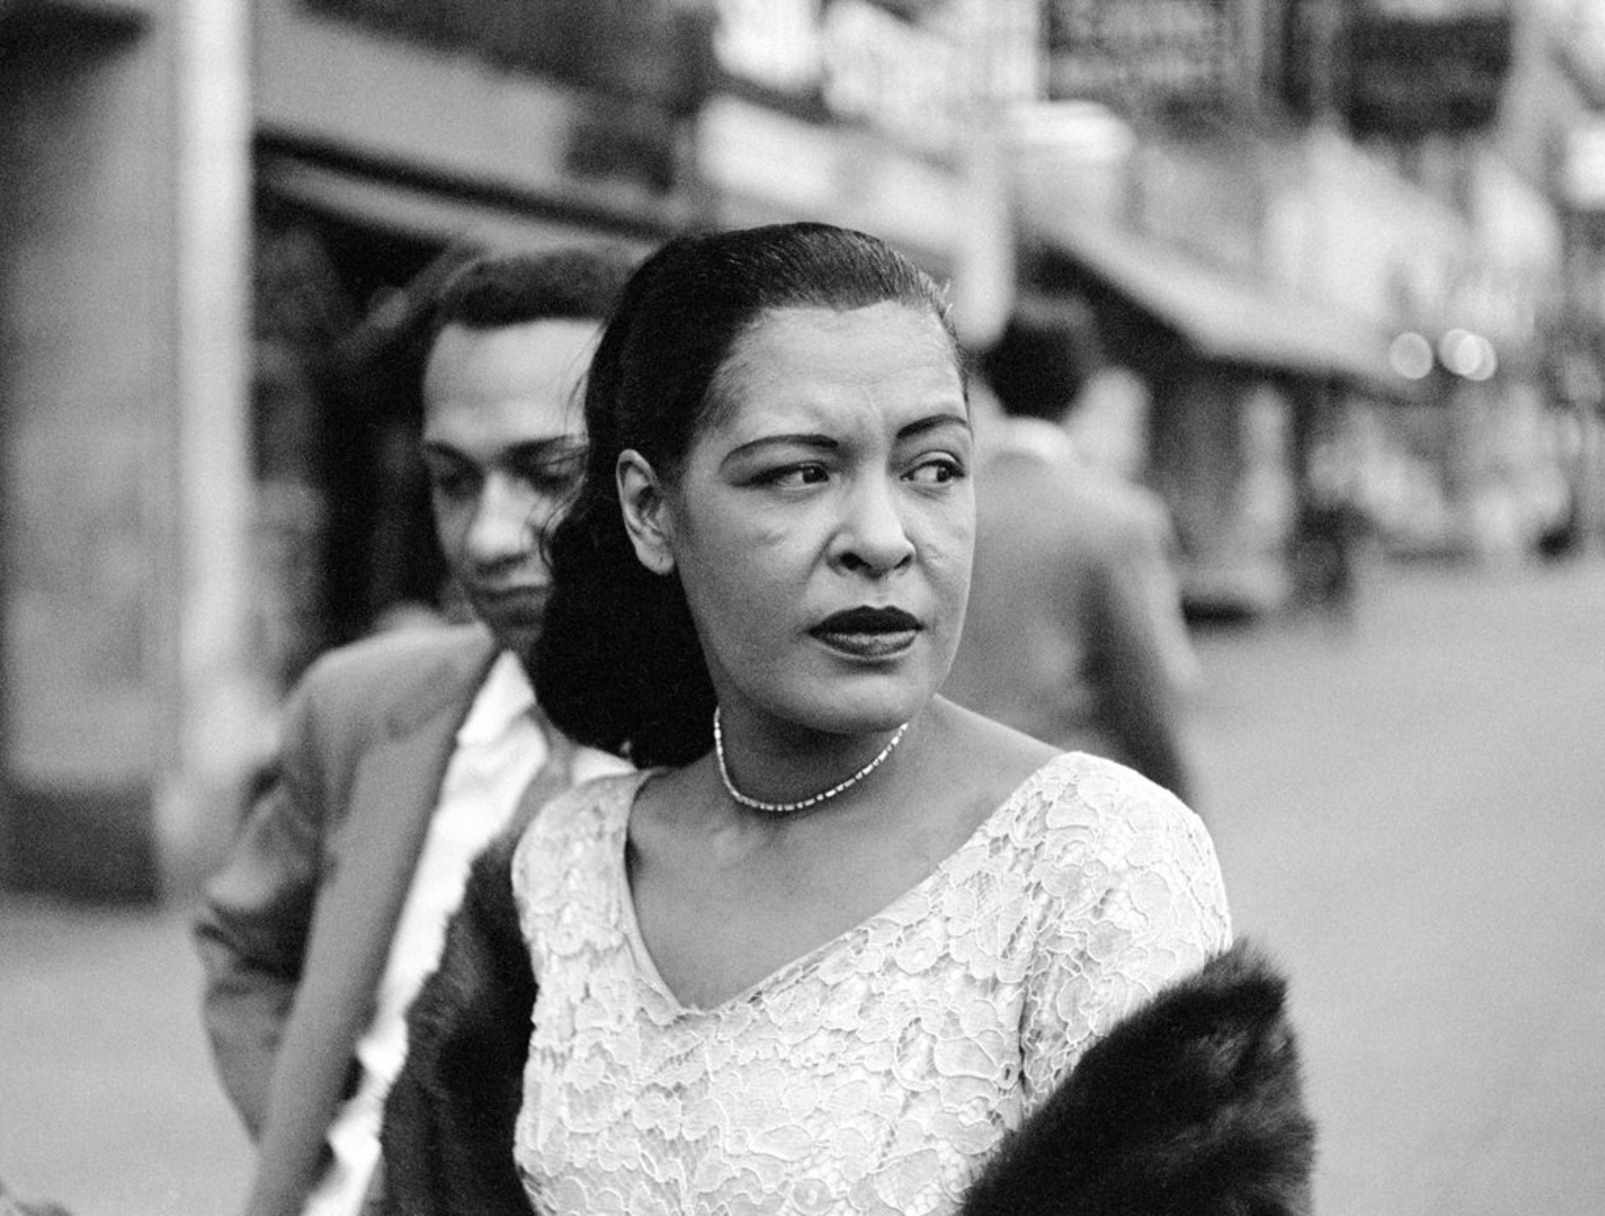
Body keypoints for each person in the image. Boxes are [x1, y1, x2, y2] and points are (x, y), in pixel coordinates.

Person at [378, 223, 1313, 1216]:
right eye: (798, 471)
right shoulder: (552, 883)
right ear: (651, 509)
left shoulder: (1096, 870)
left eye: (935, 468)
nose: (882, 537)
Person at [193, 245, 638, 1216]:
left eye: (546, 473)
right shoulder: (357, 709)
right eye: (452, 479)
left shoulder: (751, 765)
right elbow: (245, 943)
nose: (485, 535)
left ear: (652, 481)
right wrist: (321, 1149)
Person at [944, 306, 1200, 803]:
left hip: (941, 797)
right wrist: (1181, 809)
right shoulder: (1117, 518)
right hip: (1064, 802)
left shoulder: (948, 504)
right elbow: (1151, 693)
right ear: (1083, 390)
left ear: (991, 386)